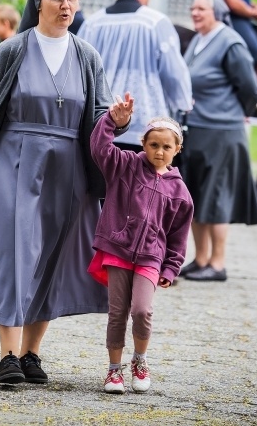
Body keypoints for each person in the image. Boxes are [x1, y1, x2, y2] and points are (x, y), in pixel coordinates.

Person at [0, 0, 128, 385]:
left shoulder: (87, 55)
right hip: (13, 161)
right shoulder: (11, 50)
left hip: (68, 168)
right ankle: (7, 356)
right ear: (39, 1)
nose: (66, 5)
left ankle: (32, 353)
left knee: (54, 256)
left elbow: (98, 116)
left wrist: (117, 121)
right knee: (13, 253)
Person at [88, 93, 192, 394]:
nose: (159, 151)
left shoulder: (180, 192)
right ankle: (113, 370)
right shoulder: (125, 166)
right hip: (118, 251)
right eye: (153, 145)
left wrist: (171, 268)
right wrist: (111, 121)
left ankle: (140, 360)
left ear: (177, 149)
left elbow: (178, 236)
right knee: (117, 313)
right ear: (143, 143)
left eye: (166, 147)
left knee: (142, 311)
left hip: (150, 258)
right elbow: (100, 147)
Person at [178, 0, 257, 282]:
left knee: (216, 198)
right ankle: (200, 259)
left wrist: (240, 113)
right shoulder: (199, 40)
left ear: (218, 12)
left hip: (223, 131)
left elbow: (249, 87)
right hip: (197, 129)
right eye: (193, 8)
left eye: (201, 8)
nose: (195, 12)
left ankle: (218, 263)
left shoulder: (230, 42)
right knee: (196, 196)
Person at [78, 0, 192, 152]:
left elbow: (80, 72)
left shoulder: (92, 24)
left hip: (100, 124)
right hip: (144, 126)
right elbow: (174, 73)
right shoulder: (156, 22)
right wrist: (184, 103)